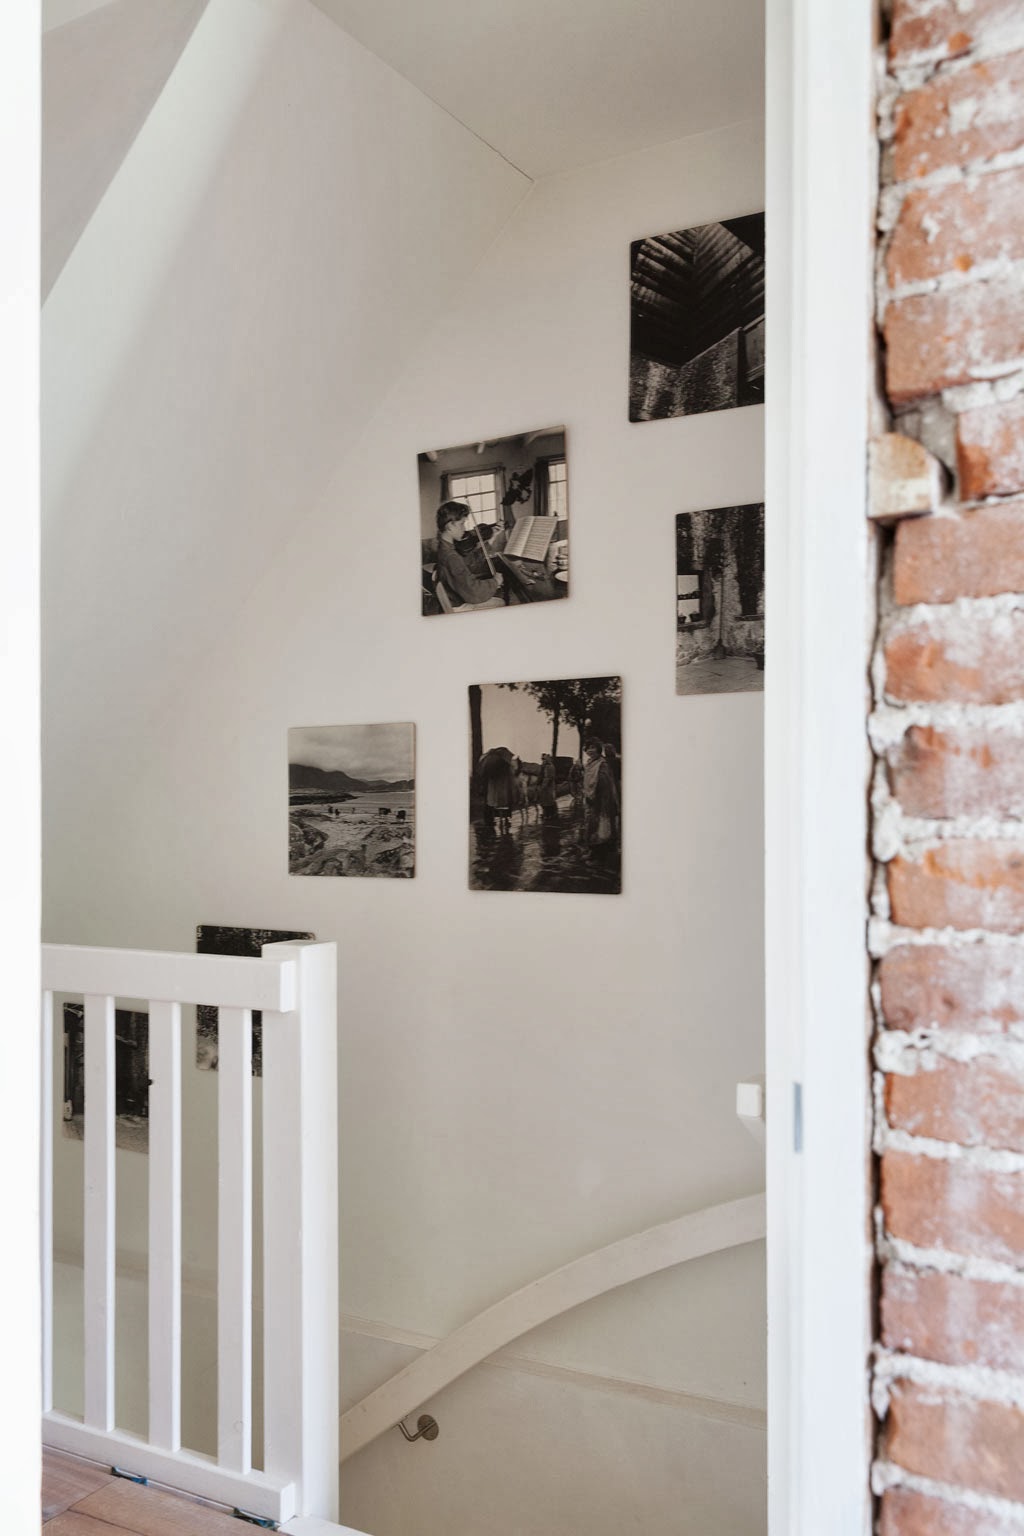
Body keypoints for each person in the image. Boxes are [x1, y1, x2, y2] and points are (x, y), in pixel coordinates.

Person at [434, 502, 505, 610]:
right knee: (501, 603)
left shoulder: (444, 548)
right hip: (458, 606)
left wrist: (491, 539)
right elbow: (474, 592)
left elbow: (467, 562)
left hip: (453, 599)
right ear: (450, 526)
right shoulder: (450, 556)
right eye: (462, 524)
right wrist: (495, 582)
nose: (464, 529)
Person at [582, 736, 618, 856]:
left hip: (600, 801)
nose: (590, 750)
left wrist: (596, 799)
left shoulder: (602, 764)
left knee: (600, 827)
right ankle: (594, 851)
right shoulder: (589, 764)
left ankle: (599, 854)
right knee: (592, 825)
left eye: (593, 747)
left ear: (598, 749)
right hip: (590, 799)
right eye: (588, 748)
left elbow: (605, 785)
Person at [538, 752, 558, 823]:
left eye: (544, 759)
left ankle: (549, 815)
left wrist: (543, 786)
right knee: (549, 801)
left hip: (547, 787)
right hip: (548, 786)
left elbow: (548, 777)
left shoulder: (548, 766)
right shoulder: (547, 766)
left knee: (547, 801)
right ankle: (550, 814)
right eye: (542, 759)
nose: (543, 761)